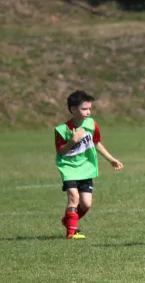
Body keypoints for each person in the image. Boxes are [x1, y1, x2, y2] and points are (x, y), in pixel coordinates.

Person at [55, 90, 123, 239]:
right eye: (84, 109)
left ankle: (68, 220)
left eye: (89, 109)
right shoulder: (62, 130)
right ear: (73, 110)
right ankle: (71, 233)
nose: (88, 112)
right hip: (69, 168)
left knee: (86, 204)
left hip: (86, 168)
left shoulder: (91, 125)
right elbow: (60, 152)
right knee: (74, 197)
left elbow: (96, 143)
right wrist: (72, 141)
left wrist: (110, 159)